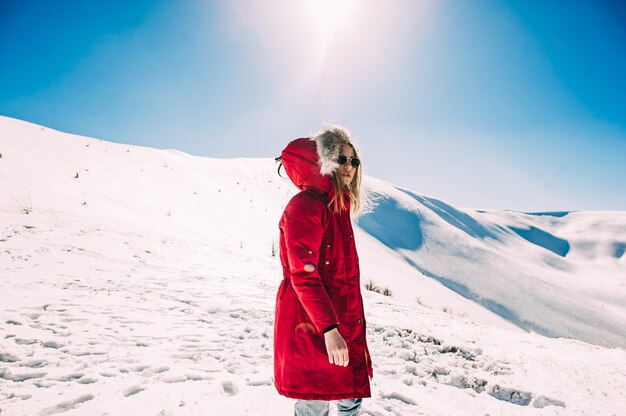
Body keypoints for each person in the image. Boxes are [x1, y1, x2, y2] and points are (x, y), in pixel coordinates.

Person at [274, 126, 373, 416]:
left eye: (354, 161)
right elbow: (303, 275)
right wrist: (330, 329)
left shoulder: (337, 209)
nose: (349, 167)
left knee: (350, 399)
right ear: (325, 161)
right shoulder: (305, 205)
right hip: (313, 326)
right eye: (342, 159)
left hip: (342, 324)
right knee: (314, 400)